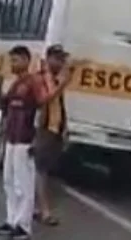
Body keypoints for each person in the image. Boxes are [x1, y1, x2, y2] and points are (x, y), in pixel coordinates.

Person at [0, 46, 47, 239]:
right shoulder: (16, 84)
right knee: (8, 181)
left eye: (15, 60)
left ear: (26, 60)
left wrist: (37, 139)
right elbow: (1, 105)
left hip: (26, 139)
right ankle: (11, 220)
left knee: (23, 184)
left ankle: (24, 226)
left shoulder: (33, 83)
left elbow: (42, 108)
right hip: (12, 138)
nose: (12, 65)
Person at [33, 44, 79, 227]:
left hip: (54, 130)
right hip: (43, 130)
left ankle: (36, 207)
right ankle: (44, 211)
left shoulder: (54, 80)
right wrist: (63, 84)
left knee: (44, 170)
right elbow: (44, 100)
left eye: (62, 59)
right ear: (48, 58)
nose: (60, 63)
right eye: (57, 59)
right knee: (41, 170)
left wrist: (64, 129)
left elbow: (59, 106)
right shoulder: (41, 79)